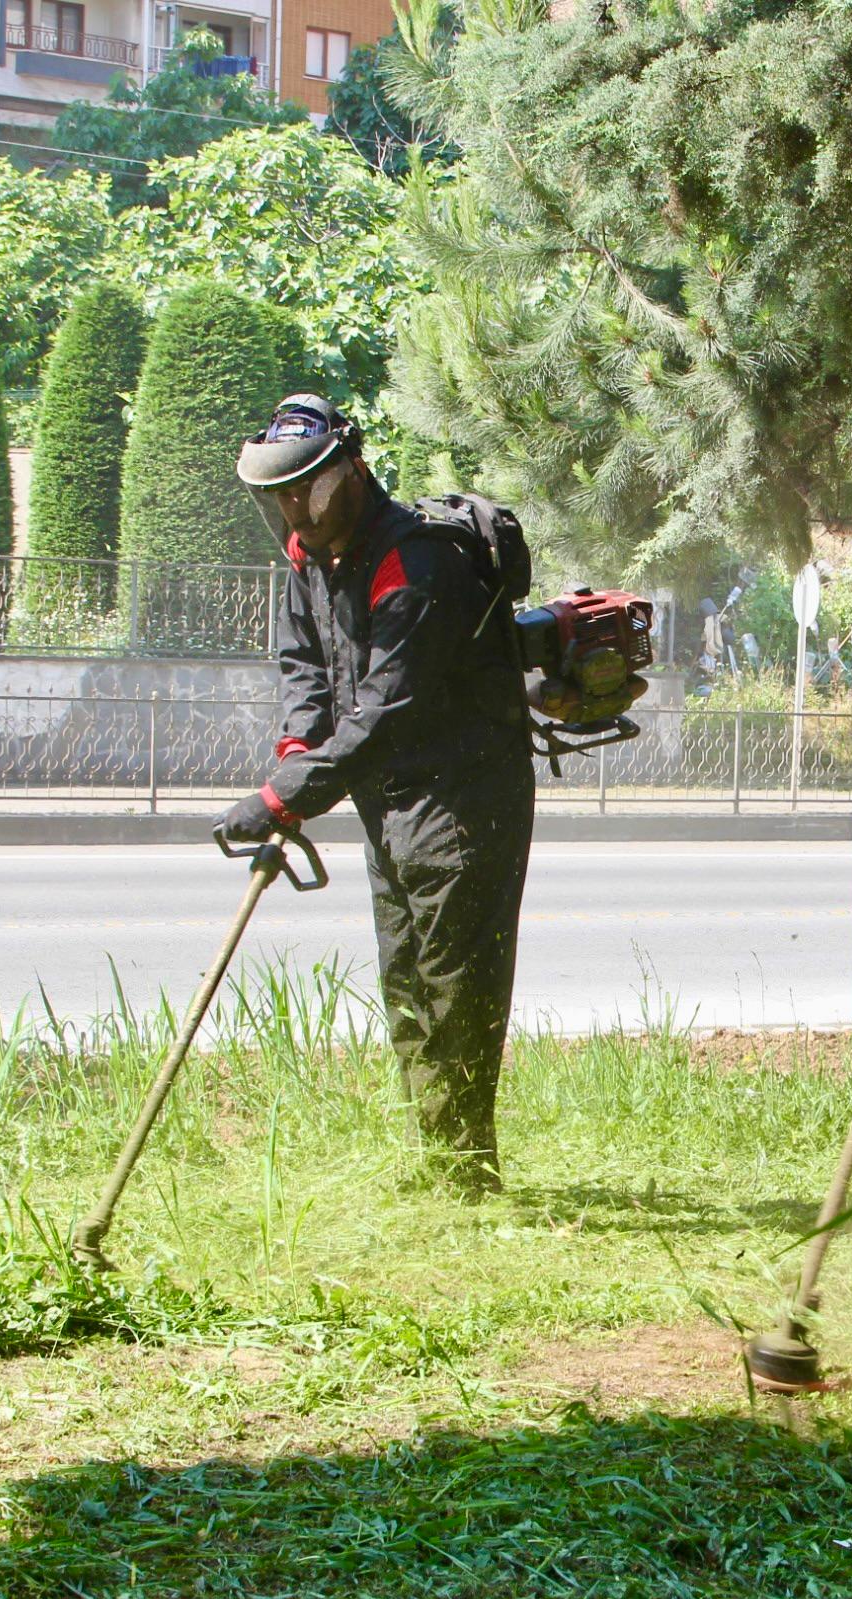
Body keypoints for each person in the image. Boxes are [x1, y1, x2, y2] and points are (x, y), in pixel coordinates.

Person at [216, 395, 533, 1197]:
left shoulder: (414, 562)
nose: (297, 509)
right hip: (386, 797)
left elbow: (388, 709)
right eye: (281, 496)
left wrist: (285, 798)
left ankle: (469, 1169)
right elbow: (306, 674)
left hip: (464, 794)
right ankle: (438, 1155)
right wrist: (295, 755)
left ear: (351, 471)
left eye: (310, 491)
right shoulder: (308, 558)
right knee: (405, 980)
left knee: (456, 982)